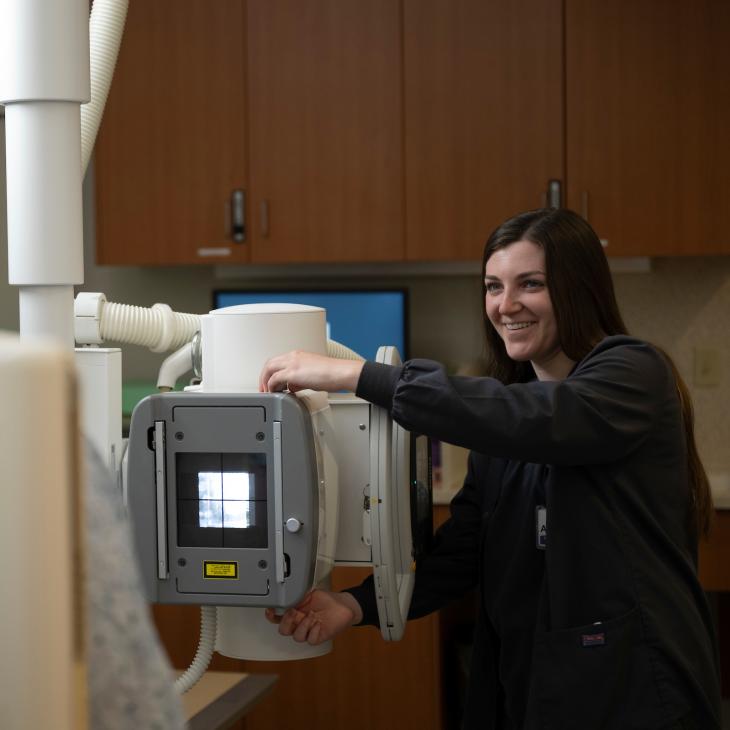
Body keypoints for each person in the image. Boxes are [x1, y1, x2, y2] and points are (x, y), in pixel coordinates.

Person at [259, 208, 721, 730]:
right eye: (493, 286)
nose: (507, 305)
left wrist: (360, 375)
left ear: (579, 289)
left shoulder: (633, 373)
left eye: (532, 284)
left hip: (633, 688)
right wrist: (354, 603)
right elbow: (464, 552)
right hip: (529, 682)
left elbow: (544, 418)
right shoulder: (505, 423)